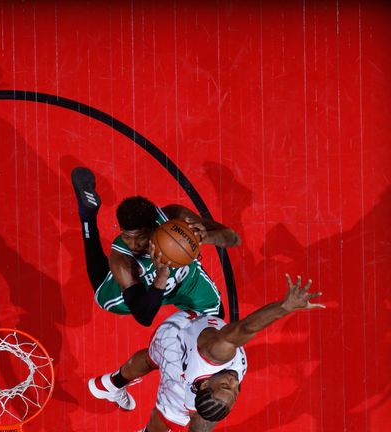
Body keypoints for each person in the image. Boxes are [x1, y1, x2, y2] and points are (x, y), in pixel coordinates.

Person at [89, 274, 324, 431]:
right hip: (190, 333)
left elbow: (246, 327)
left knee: (170, 414)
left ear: (204, 387)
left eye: (225, 386)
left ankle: (115, 392)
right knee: (152, 360)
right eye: (234, 391)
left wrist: (285, 307)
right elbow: (203, 422)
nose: (233, 382)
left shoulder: (214, 355)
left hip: (175, 341)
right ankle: (108, 384)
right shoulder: (210, 392)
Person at [70, 166, 241, 326]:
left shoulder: (175, 218)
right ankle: (88, 217)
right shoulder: (122, 259)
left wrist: (202, 237)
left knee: (217, 319)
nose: (133, 244)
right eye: (126, 236)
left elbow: (233, 238)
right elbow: (144, 317)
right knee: (101, 286)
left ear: (155, 227)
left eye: (140, 237)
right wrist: (161, 277)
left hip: (188, 284)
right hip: (134, 297)